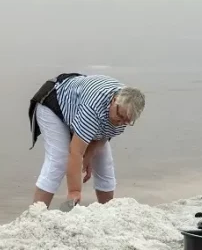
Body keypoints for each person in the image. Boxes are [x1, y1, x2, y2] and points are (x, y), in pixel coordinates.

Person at [27, 73, 145, 208]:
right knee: (59, 159)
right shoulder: (93, 109)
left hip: (80, 103)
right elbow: (75, 152)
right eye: (120, 115)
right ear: (114, 100)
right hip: (55, 101)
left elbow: (102, 136)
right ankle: (37, 213)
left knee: (104, 162)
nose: (121, 122)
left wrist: (88, 157)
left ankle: (108, 211)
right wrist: (74, 191)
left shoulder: (124, 113)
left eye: (127, 121)